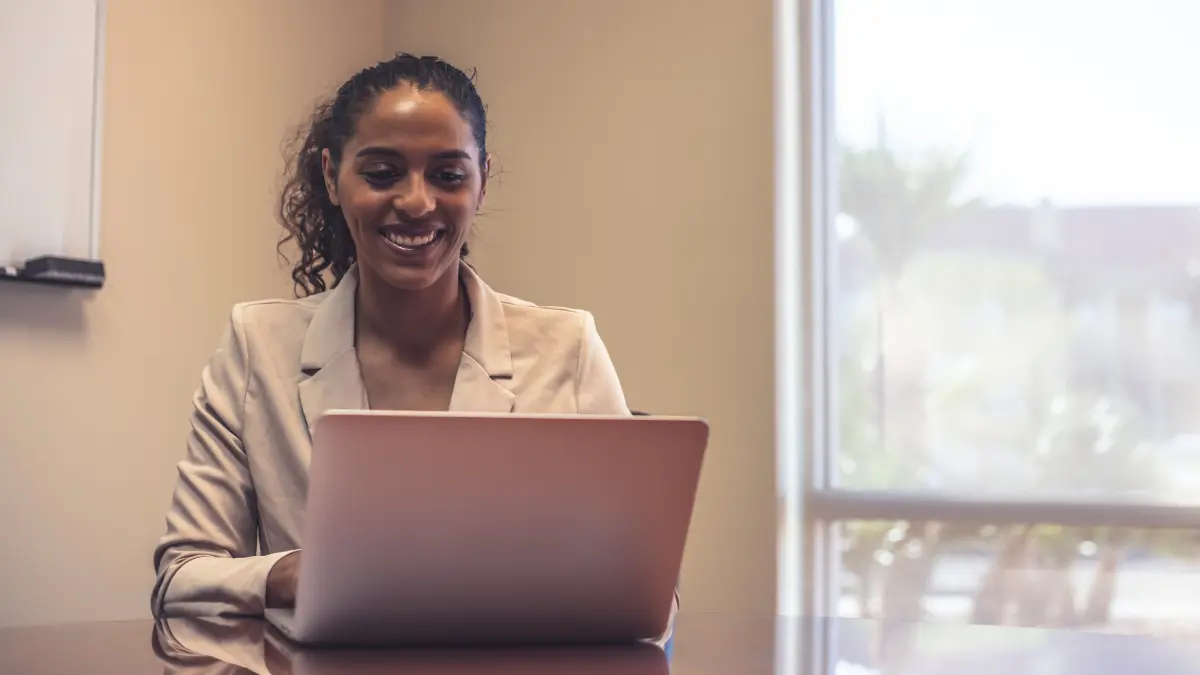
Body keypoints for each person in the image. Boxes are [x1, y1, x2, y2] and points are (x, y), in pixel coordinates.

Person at [151, 54, 654, 622]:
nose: (417, 202)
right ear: (330, 177)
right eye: (383, 173)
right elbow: (181, 575)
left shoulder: (568, 346)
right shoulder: (257, 345)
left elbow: (646, 589)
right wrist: (293, 572)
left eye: (447, 174)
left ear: (482, 180)